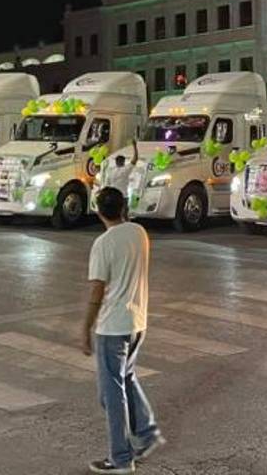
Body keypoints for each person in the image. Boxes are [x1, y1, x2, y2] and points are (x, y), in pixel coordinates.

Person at [81, 187, 164, 474]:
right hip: (136, 322)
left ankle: (120, 458)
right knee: (125, 379)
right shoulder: (138, 232)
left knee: (111, 394)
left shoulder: (103, 244)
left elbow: (97, 290)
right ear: (123, 207)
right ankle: (147, 433)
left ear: (98, 210)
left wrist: (85, 327)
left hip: (112, 326)